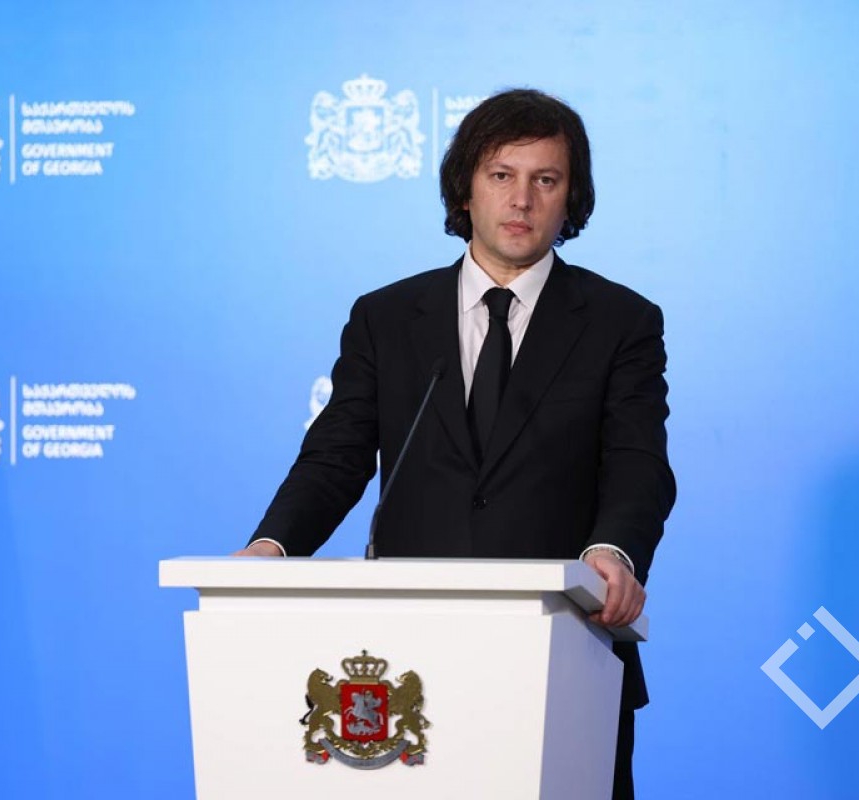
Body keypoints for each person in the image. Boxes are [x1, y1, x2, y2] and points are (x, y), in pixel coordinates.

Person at [234, 88, 675, 800]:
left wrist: (612, 552)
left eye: (546, 179)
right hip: (412, 662)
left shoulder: (621, 321)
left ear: (571, 198)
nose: (522, 199)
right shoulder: (385, 318)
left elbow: (637, 463)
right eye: (502, 175)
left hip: (565, 654)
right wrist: (272, 547)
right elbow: (337, 455)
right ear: (466, 189)